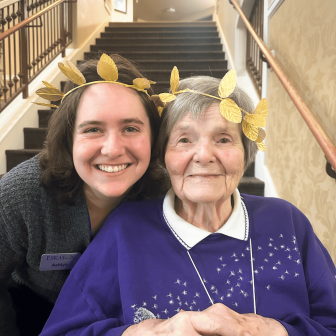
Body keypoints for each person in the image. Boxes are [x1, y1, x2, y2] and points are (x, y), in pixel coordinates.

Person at [39, 70, 336, 336]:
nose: (204, 155)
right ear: (163, 156)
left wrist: (273, 331)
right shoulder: (126, 228)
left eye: (223, 139)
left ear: (245, 154)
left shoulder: (286, 222)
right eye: (184, 140)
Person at [0, 54, 164, 336]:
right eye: (93, 129)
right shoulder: (21, 194)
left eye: (131, 128)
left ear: (154, 137)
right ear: (68, 139)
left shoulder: (166, 196)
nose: (112, 149)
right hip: (31, 310)